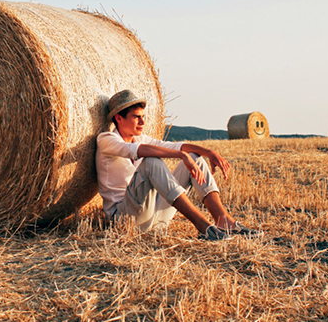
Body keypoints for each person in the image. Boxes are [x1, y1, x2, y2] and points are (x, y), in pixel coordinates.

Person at [96, 89, 258, 240]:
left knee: (194, 157)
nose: (142, 121)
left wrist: (209, 152)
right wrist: (181, 156)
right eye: (136, 117)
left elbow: (175, 146)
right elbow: (137, 150)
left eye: (143, 116)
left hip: (153, 218)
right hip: (124, 219)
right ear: (118, 118)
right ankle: (203, 226)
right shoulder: (106, 140)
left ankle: (224, 221)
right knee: (151, 160)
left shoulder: (141, 138)